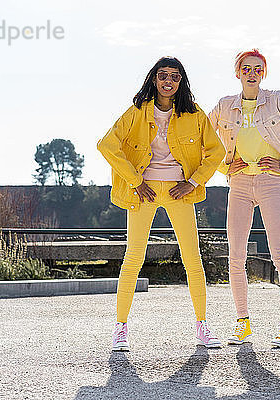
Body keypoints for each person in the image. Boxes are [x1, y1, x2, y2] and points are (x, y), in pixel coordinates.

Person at [98, 57, 226, 351]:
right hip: (144, 191)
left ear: (181, 83)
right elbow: (107, 145)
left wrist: (192, 182)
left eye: (175, 77)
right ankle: (120, 328)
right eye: (163, 75)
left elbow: (216, 151)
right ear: (154, 80)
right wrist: (135, 181)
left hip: (179, 190)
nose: (168, 81)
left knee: (192, 257)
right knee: (133, 257)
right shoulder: (137, 112)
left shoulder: (195, 114)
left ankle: (202, 326)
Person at [209, 49, 280, 347]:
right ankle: (242, 323)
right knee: (235, 257)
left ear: (263, 73)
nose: (251, 73)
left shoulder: (276, 99)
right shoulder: (225, 105)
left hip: (271, 181)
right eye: (246, 68)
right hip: (239, 182)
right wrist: (223, 166)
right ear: (238, 72)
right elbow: (203, 135)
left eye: (257, 68)